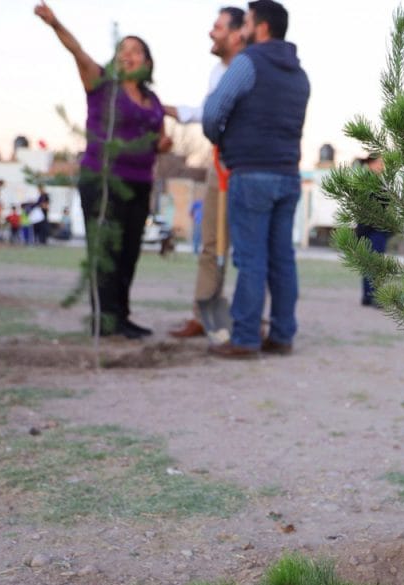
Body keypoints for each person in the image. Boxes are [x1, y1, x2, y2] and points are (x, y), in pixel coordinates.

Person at [35, 1, 172, 339]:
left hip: (139, 184)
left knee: (129, 253)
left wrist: (163, 144)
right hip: (103, 181)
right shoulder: (102, 85)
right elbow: (77, 52)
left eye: (136, 50)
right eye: (122, 49)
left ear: (147, 62)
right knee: (106, 251)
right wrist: (55, 24)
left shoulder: (153, 101)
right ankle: (105, 321)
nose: (128, 55)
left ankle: (121, 316)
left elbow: (159, 138)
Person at [203, 0, 310, 358]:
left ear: (261, 27)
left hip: (250, 174)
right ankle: (282, 335)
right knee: (282, 259)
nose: (243, 29)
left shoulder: (248, 62)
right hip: (288, 175)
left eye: (247, 22)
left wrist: (220, 140)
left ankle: (246, 338)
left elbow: (214, 110)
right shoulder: (299, 74)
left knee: (250, 259)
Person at [166, 6, 247, 341]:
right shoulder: (218, 71)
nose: (211, 32)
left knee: (249, 247)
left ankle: (248, 320)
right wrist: (174, 111)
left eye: (218, 27)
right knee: (211, 243)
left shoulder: (253, 68)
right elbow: (209, 111)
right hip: (219, 163)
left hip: (247, 165)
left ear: (238, 33)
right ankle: (203, 315)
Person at [356, 154, 390, 306]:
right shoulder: (369, 182)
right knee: (373, 262)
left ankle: (369, 295)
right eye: (379, 162)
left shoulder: (377, 181)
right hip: (372, 228)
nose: (381, 166)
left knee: (371, 263)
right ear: (371, 164)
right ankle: (372, 295)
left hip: (371, 228)